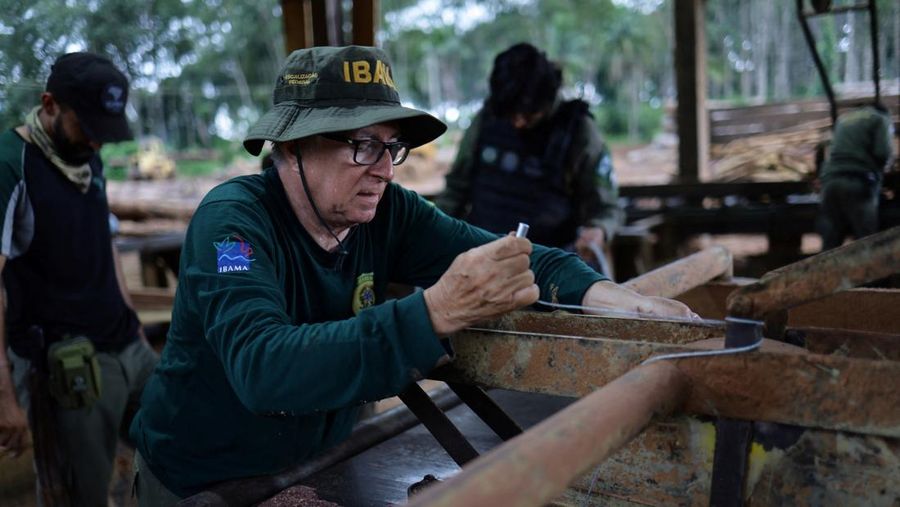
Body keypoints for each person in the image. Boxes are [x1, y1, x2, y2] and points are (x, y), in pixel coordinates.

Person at [129, 45, 695, 503]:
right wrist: (433, 313)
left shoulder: (385, 212)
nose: (382, 167)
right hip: (204, 480)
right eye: (360, 146)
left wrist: (608, 295)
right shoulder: (233, 225)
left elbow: (511, 254)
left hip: (318, 460)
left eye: (390, 147)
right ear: (293, 147)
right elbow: (263, 368)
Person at [0, 52, 158, 506]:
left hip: (126, 345)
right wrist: (5, 395)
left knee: (175, 447)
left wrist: (135, 328)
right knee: (79, 495)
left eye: (103, 131)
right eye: (86, 127)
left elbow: (105, 247)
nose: (96, 142)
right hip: (69, 364)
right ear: (50, 104)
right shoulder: (13, 164)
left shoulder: (89, 158)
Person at [435, 43, 622, 271]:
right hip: (483, 258)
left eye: (528, 115)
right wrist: (434, 229)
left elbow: (606, 208)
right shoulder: (487, 120)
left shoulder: (579, 130)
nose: (519, 123)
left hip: (554, 265)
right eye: (512, 115)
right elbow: (456, 188)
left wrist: (599, 230)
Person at [817, 103, 895, 250]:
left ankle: (825, 272)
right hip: (857, 182)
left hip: (830, 182)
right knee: (866, 242)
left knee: (831, 242)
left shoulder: (844, 119)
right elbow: (882, 152)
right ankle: (871, 272)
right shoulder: (880, 118)